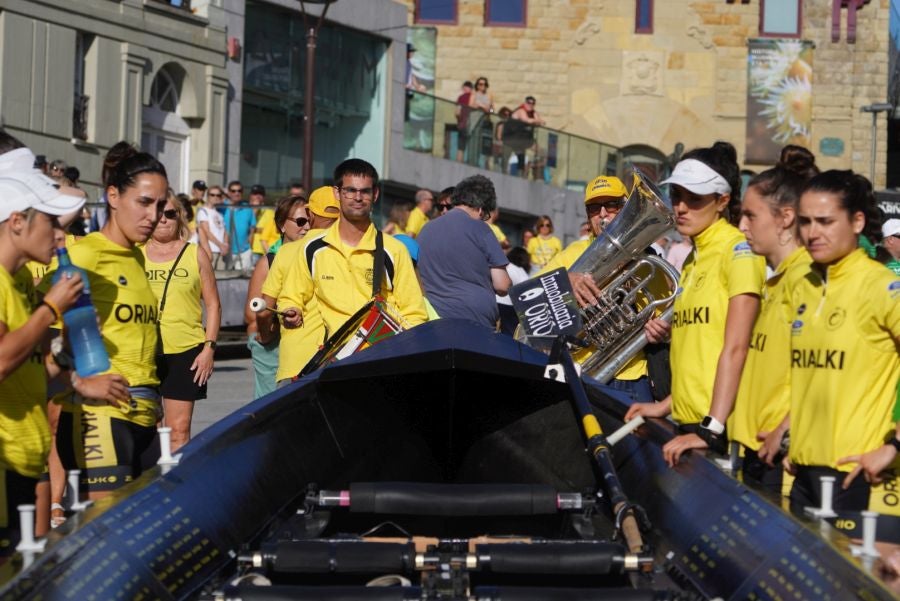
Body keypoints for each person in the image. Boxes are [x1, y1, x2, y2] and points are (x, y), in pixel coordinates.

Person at [41, 141, 169, 500]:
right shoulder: (85, 253)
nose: (153, 216)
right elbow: (33, 323)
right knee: (107, 527)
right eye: (144, 202)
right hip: (98, 414)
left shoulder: (137, 258)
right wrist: (77, 381)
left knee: (143, 525)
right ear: (113, 196)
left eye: (160, 205)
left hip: (143, 414)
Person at [625, 142, 766, 467]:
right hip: (691, 422)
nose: (681, 207)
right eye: (676, 195)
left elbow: (738, 348)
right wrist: (664, 406)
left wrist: (712, 429)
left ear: (723, 201)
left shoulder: (739, 251)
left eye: (695, 198)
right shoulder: (692, 259)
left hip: (718, 429)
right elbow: (700, 352)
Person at [782, 171, 900, 518]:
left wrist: (894, 446)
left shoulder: (881, 286)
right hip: (801, 468)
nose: (812, 232)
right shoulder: (803, 283)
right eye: (805, 221)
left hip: (855, 471)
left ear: (857, 222)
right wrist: (791, 435)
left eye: (825, 221)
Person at [0, 142, 86, 555]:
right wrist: (51, 308)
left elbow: (29, 372)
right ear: (17, 221)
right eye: (50, 222)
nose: (59, 234)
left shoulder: (17, 285)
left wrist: (69, 363)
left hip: (24, 463)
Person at [274, 159, 428, 376]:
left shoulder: (394, 250)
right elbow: (292, 295)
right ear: (337, 193)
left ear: (375, 194)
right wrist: (291, 311)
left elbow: (415, 314)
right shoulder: (313, 249)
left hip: (384, 365)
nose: (357, 197)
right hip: (336, 365)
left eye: (365, 191)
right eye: (350, 190)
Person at [729, 156, 816, 495]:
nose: (742, 226)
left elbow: (823, 371)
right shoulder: (777, 278)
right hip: (754, 445)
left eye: (751, 215)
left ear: (786, 218)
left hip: (779, 454)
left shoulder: (806, 279)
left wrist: (789, 427)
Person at [546, 175, 663, 404]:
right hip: (582, 370)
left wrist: (661, 330)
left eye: (611, 205)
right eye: (594, 208)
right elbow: (527, 297)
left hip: (633, 374)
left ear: (627, 208)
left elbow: (666, 316)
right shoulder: (570, 255)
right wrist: (565, 280)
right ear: (587, 216)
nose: (602, 214)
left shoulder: (646, 258)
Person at [142, 192, 220, 453]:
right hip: (144, 351)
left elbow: (213, 305)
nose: (163, 219)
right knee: (148, 429)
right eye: (158, 214)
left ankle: (176, 477)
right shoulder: (135, 254)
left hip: (186, 350)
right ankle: (153, 478)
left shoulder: (195, 254)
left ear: (180, 217)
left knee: (179, 429)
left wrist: (209, 348)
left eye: (170, 213)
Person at [418, 175, 511, 329]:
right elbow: (502, 285)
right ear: (480, 208)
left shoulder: (426, 229)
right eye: (485, 215)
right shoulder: (481, 229)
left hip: (432, 318)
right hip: (474, 321)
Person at [247, 195, 310, 398]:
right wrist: (267, 334)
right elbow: (251, 313)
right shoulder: (269, 261)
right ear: (282, 225)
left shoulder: (315, 256)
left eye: (310, 220)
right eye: (300, 221)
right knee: (268, 406)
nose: (307, 226)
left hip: (304, 341)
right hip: (271, 344)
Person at [505, 96, 545, 176]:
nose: (531, 105)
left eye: (533, 103)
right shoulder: (521, 110)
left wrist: (536, 121)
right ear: (525, 103)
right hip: (513, 139)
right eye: (529, 103)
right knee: (513, 159)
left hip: (523, 139)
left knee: (540, 152)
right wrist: (537, 121)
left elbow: (541, 123)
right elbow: (526, 120)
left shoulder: (533, 112)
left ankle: (527, 170)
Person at [223, 180, 256, 271]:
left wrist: (249, 245)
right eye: (233, 191)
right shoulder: (222, 207)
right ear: (229, 192)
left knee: (243, 279)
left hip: (244, 252)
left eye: (239, 191)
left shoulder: (247, 207)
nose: (236, 193)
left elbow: (252, 227)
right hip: (226, 251)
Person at [497, 246, 531, 335]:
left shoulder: (503, 266)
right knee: (509, 333)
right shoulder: (521, 272)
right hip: (509, 306)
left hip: (494, 302)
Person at [197, 184, 228, 268]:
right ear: (208, 196)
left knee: (222, 275)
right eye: (212, 195)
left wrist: (225, 244)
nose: (215, 197)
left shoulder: (219, 213)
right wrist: (221, 245)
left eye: (218, 195)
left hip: (221, 251)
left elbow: (224, 231)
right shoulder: (203, 211)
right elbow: (206, 232)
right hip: (210, 250)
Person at [250, 184, 276, 264]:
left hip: (265, 250)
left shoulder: (270, 212)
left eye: (260, 194)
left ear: (264, 197)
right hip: (250, 250)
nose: (258, 196)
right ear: (251, 196)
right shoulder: (245, 210)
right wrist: (254, 210)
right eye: (255, 193)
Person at [455, 81, 473, 162]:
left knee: (461, 147)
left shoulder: (461, 97)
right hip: (473, 125)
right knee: (472, 147)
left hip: (463, 124)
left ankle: (459, 165)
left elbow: (457, 112)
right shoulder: (475, 97)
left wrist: (459, 120)